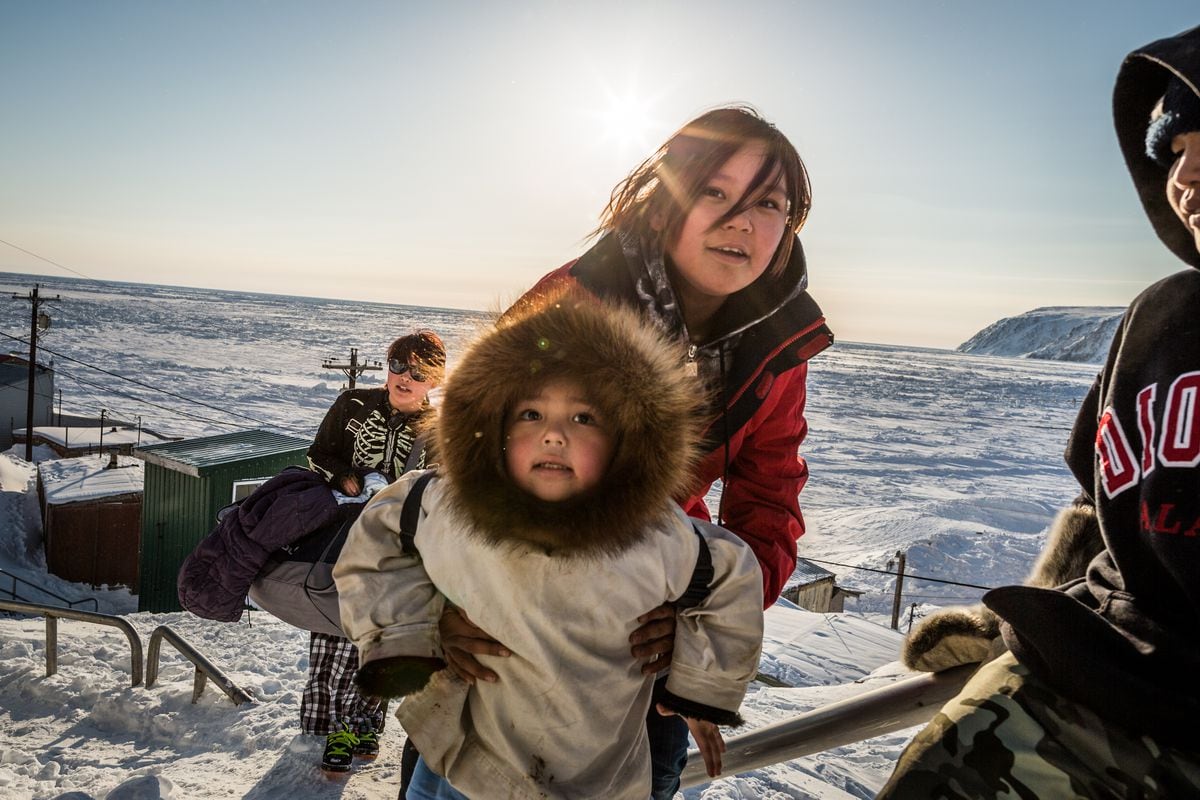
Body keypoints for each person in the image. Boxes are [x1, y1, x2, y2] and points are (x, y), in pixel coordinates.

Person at [441, 105, 833, 797]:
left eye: (768, 202)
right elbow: (459, 465)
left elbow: (769, 500)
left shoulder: (776, 346)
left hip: (644, 635)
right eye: (715, 191)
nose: (741, 219)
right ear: (663, 206)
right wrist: (444, 600)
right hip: (511, 621)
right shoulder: (570, 306)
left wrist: (703, 617)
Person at [879, 24, 1200, 797]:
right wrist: (1016, 625)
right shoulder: (1158, 316)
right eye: (1173, 154)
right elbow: (1099, 510)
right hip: (1094, 686)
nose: (1184, 178)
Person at [333, 294, 765, 799]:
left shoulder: (651, 534)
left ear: (626, 439)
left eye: (584, 418)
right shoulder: (447, 505)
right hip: (463, 766)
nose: (554, 436)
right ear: (494, 426)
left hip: (593, 778)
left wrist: (698, 682)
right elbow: (376, 544)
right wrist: (416, 628)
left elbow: (731, 577)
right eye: (532, 414)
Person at [302, 329, 446, 774]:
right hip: (342, 539)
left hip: (400, 551)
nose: (405, 376)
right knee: (336, 636)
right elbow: (318, 454)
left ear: (434, 379)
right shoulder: (353, 405)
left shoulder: (440, 428)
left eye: (418, 370)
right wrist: (345, 477)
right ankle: (340, 726)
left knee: (377, 636)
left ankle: (362, 725)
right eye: (398, 364)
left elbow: (444, 486)